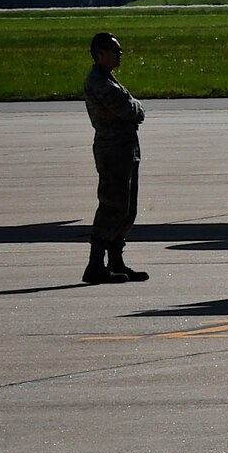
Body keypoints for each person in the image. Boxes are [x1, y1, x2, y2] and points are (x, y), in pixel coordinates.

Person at [81, 32, 148, 285]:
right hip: (112, 151)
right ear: (100, 54)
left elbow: (129, 109)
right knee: (112, 206)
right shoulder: (98, 82)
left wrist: (131, 109)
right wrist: (132, 109)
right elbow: (127, 108)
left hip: (126, 149)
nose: (120, 54)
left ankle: (116, 262)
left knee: (127, 209)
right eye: (114, 50)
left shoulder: (109, 80)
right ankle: (95, 265)